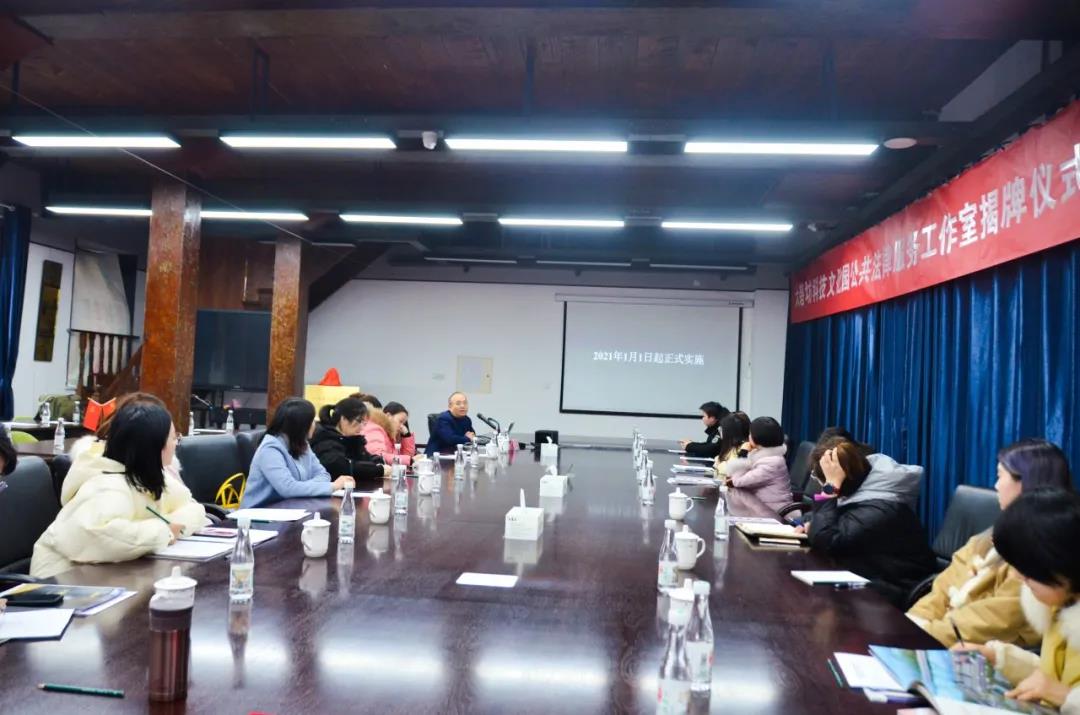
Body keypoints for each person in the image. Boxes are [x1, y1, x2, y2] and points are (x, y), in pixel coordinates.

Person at [908, 439, 1073, 647]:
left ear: (1025, 482)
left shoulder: (1042, 554)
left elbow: (995, 621)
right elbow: (941, 590)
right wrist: (912, 622)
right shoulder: (988, 537)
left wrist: (916, 636)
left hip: (982, 653)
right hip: (942, 640)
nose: (996, 486)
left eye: (999, 476)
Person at [30, 402, 208, 578]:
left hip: (108, 576)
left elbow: (194, 509)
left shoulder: (149, 476)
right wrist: (164, 532)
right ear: (155, 445)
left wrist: (170, 526)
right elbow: (97, 535)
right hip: (60, 581)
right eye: (173, 438)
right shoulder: (107, 485)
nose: (176, 443)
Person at [956, 490, 1080, 713]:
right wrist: (997, 657)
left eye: (1026, 569)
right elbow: (1050, 677)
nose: (1016, 576)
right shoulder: (1062, 605)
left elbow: (1058, 688)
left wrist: (1064, 696)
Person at [805, 437, 938, 607]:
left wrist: (830, 487)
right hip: (869, 576)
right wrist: (810, 524)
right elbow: (826, 521)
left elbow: (827, 541)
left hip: (894, 590)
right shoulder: (863, 489)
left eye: (820, 480)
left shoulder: (879, 508)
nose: (820, 486)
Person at [240, 398, 354, 508]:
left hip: (290, 508)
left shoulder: (302, 444)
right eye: (311, 421)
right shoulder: (270, 449)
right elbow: (287, 488)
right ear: (300, 425)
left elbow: (323, 475)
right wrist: (333, 486)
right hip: (260, 513)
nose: (314, 425)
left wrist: (300, 487)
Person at [310, 398, 391, 485]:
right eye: (359, 421)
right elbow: (342, 467)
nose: (361, 427)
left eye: (364, 423)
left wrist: (378, 461)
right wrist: (378, 470)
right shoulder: (325, 439)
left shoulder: (352, 439)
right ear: (343, 419)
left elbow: (365, 459)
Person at [722, 416, 791, 511]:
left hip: (773, 511)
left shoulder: (771, 463)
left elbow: (738, 482)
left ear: (758, 437)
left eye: (750, 434)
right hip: (759, 506)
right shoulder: (766, 456)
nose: (749, 437)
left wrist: (743, 454)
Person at [713, 411, 751, 478]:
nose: (719, 430)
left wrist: (720, 464)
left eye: (722, 428)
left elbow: (730, 470)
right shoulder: (731, 446)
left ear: (731, 431)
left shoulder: (745, 447)